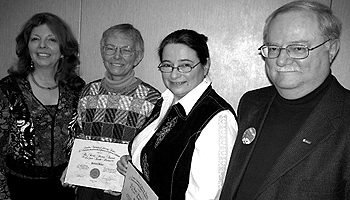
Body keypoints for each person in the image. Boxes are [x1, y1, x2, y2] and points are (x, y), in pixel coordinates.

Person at [219, 1, 349, 199]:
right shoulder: (251, 103)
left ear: (331, 49)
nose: (280, 60)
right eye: (273, 48)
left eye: (297, 48)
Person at [117, 29, 238, 200]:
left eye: (185, 65)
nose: (174, 74)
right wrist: (133, 163)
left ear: (206, 65)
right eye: (167, 65)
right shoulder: (167, 101)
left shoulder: (217, 118)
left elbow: (206, 196)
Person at [62, 23, 161, 200]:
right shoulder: (88, 92)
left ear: (138, 56)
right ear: (102, 52)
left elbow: (152, 155)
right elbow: (78, 136)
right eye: (110, 48)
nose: (117, 56)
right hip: (87, 187)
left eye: (126, 50)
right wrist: (73, 166)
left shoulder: (152, 99)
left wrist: (131, 177)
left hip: (125, 189)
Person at [0, 12, 85, 200]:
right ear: (27, 46)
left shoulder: (77, 87)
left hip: (66, 188)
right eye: (35, 39)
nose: (42, 46)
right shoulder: (8, 89)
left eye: (52, 40)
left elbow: (82, 137)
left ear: (63, 49)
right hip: (19, 188)